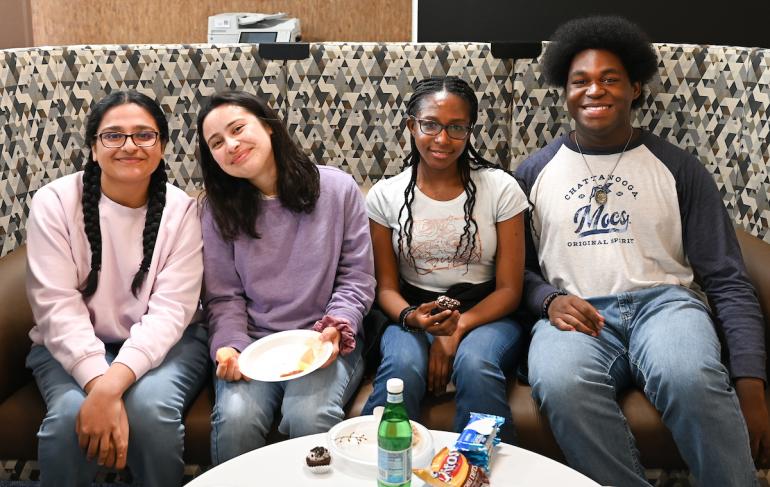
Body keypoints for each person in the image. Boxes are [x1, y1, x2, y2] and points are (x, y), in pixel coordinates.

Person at [517, 15, 769, 487]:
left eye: (610, 79)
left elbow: (727, 277)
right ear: (565, 92)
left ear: (635, 87)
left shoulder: (679, 168)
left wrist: (751, 382)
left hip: (666, 306)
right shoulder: (532, 174)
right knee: (559, 382)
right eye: (581, 81)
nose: (595, 90)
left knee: (688, 374)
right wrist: (547, 301)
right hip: (576, 313)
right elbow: (514, 273)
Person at [25, 90, 209, 487]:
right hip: (70, 345)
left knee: (150, 412)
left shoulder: (182, 211)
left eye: (145, 135)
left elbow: (171, 311)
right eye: (113, 135)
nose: (130, 146)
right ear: (93, 148)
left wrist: (112, 385)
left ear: (161, 147)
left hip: (168, 342)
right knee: (69, 418)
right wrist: (98, 383)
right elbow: (55, 306)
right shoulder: (54, 202)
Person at [197, 90, 375, 464]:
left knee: (307, 416)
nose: (230, 145)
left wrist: (336, 327)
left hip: (323, 340)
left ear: (269, 126)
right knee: (236, 420)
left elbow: (356, 278)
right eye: (216, 142)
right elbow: (224, 297)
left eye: (238, 128)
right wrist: (230, 345)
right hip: (256, 345)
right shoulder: (216, 211)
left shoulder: (337, 189)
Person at [360, 76, 529, 443]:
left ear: (469, 131)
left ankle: (478, 473)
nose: (442, 139)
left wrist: (459, 329)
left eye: (456, 128)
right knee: (402, 368)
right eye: (430, 125)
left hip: (487, 312)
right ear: (411, 125)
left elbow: (510, 289)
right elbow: (385, 287)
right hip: (413, 312)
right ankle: (382, 468)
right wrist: (413, 318)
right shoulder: (384, 196)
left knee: (476, 365)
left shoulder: (501, 188)